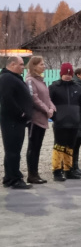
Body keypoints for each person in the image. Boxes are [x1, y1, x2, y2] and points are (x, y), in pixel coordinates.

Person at [49, 63, 81, 181]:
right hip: (60, 123)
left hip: (74, 123)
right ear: (61, 74)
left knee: (70, 147)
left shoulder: (77, 88)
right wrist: (55, 117)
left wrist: (79, 117)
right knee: (59, 147)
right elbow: (49, 103)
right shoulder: (54, 87)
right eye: (65, 74)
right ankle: (57, 171)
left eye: (69, 74)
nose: (67, 76)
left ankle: (68, 170)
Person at [0, 56, 33, 189]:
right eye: (20, 64)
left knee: (12, 150)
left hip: (15, 120)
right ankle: (15, 179)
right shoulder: (7, 78)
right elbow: (7, 99)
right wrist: (20, 113)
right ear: (12, 64)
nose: (23, 67)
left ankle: (9, 177)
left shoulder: (12, 77)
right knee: (13, 150)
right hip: (12, 120)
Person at [25, 56, 56, 184]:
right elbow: (34, 98)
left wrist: (52, 108)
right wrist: (46, 109)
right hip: (35, 119)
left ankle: (36, 173)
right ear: (34, 66)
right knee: (33, 147)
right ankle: (32, 174)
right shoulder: (30, 81)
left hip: (43, 118)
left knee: (38, 146)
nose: (44, 66)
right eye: (41, 64)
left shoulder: (41, 81)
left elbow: (47, 98)